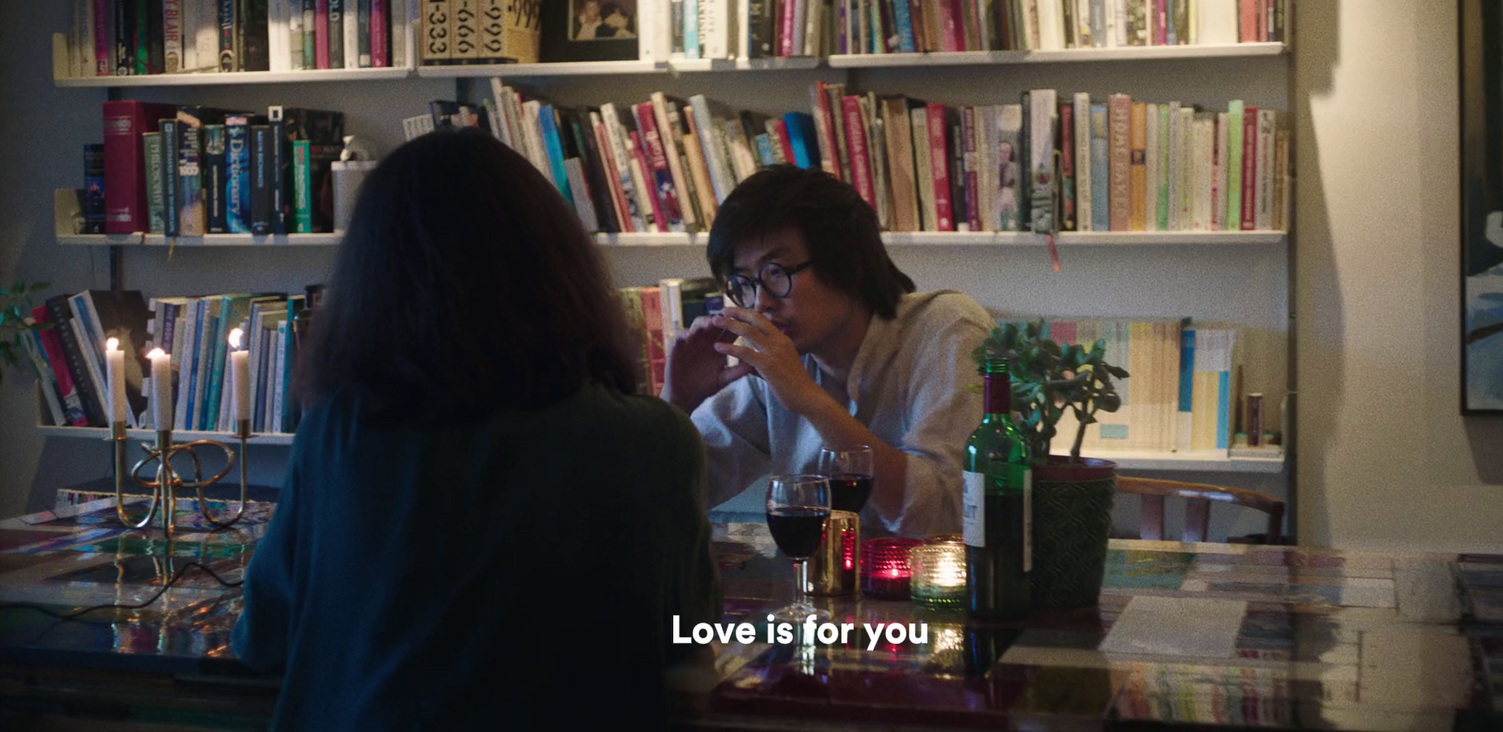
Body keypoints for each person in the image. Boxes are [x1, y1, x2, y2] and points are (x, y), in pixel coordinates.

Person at [232, 131, 719, 730]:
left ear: (373, 284)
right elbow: (689, 657)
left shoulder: (338, 434)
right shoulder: (659, 442)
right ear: (561, 269)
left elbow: (261, 638)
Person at [662, 165, 993, 539]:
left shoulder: (947, 329)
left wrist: (810, 400)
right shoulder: (775, 371)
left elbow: (945, 517)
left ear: (848, 262)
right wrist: (673, 408)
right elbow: (668, 497)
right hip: (825, 595)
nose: (761, 302)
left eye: (776, 272)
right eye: (744, 283)